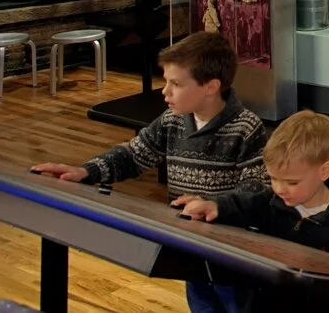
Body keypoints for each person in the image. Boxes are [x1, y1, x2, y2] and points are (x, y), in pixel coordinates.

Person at [31, 32, 269, 311]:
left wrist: (216, 205)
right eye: (166, 81)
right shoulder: (172, 121)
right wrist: (86, 171)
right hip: (189, 245)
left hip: (231, 255)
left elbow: (257, 189)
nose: (165, 91)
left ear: (211, 87)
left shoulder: (247, 128)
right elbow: (133, 154)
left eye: (176, 84)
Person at [180, 110, 329, 311]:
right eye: (273, 178)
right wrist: (214, 205)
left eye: (292, 182)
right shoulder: (268, 202)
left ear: (324, 171)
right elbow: (239, 205)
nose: (280, 189)